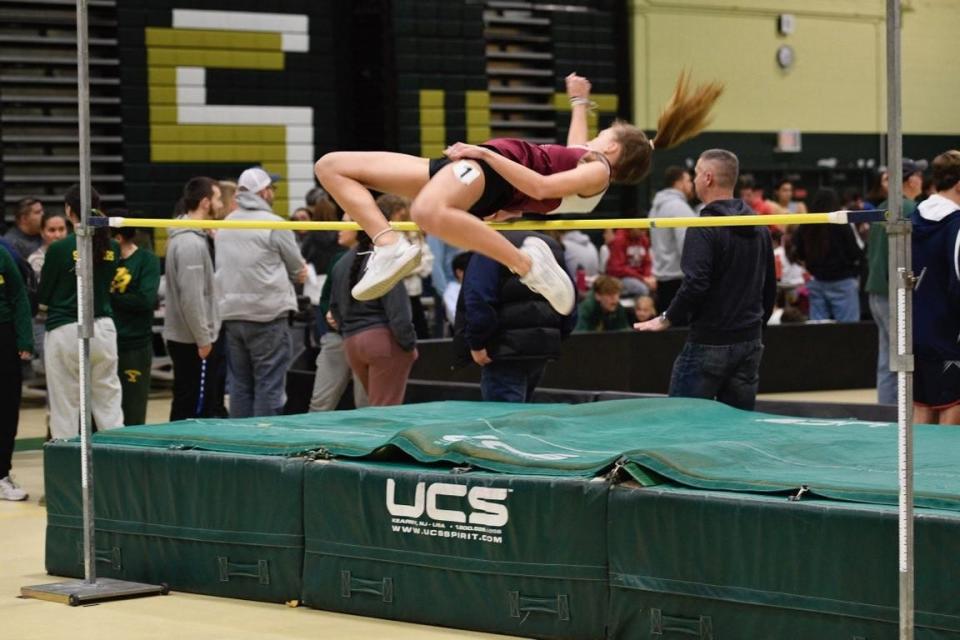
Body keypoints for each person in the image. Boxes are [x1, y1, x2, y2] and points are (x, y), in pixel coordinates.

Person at [314, 71, 723, 317]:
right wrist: (579, 101)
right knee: (332, 166)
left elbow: (540, 187)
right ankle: (387, 243)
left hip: (486, 168)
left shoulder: (597, 170)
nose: (593, 140)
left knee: (426, 212)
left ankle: (525, 263)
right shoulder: (589, 165)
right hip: (474, 171)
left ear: (612, 150)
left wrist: (482, 153)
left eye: (602, 136)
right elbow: (572, 151)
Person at [635, 149, 776, 411]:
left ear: (708, 178)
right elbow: (770, 286)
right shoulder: (760, 226)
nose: (694, 180)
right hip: (749, 341)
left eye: (696, 174)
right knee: (736, 426)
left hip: (711, 342)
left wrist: (667, 318)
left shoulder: (704, 227)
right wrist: (757, 329)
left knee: (683, 421)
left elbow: (695, 284)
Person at [216, 167, 307, 417]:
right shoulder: (274, 224)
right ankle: (264, 442)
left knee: (240, 386)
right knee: (269, 385)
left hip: (233, 316)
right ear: (263, 192)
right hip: (268, 315)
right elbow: (298, 267)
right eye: (272, 188)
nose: (273, 193)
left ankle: (242, 442)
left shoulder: (225, 224)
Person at [38, 185, 124, 438]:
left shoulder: (59, 249)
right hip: (104, 330)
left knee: (65, 406)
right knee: (109, 404)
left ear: (68, 210)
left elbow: (43, 295)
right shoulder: (113, 248)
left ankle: (65, 471)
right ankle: (116, 467)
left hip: (65, 329)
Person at [455, 231, 575, 402]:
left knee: (505, 424)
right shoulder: (551, 243)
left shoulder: (488, 243)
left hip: (503, 349)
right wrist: (556, 335)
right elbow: (569, 297)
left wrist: (476, 344)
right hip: (539, 346)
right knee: (519, 417)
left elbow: (479, 300)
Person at [329, 229, 417, 406]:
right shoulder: (384, 262)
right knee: (384, 412)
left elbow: (334, 308)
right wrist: (409, 344)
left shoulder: (340, 264)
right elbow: (398, 310)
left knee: (377, 407)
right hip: (382, 341)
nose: (340, 228)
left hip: (352, 343)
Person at [163, 177, 223, 420]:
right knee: (191, 405)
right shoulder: (189, 243)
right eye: (218, 198)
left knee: (187, 398)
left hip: (189, 336)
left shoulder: (192, 237)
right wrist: (203, 339)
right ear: (206, 202)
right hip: (192, 339)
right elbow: (192, 297)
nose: (221, 204)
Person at [865, 159, 923, 404]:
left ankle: (886, 412)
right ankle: (901, 414)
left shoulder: (884, 206)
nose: (922, 180)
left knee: (887, 358)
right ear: (910, 180)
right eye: (920, 175)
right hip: (894, 293)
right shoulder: (909, 209)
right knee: (902, 359)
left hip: (876, 292)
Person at [911, 150, 960, 425]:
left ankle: (920, 467)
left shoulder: (915, 216)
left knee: (923, 404)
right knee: (952, 405)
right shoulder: (955, 224)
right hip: (948, 331)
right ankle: (944, 468)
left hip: (916, 327)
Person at [308, 215, 368, 412]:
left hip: (364, 339)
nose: (339, 229)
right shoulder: (338, 259)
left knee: (367, 406)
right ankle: (310, 441)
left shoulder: (375, 259)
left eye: (346, 223)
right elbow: (326, 297)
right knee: (320, 402)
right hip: (337, 337)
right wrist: (329, 313)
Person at [111, 223, 161, 426]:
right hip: (105, 339)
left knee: (132, 405)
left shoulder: (146, 260)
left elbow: (145, 300)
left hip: (134, 343)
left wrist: (109, 297)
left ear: (119, 238)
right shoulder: (104, 259)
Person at [793, 188, 863, 322]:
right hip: (843, 281)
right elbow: (855, 252)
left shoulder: (807, 223)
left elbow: (799, 252)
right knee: (849, 333)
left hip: (817, 281)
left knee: (818, 332)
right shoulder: (842, 223)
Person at [0, 243, 33, 500]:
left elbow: (19, 295)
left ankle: (2, 474)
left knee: (7, 407)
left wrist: (24, 339)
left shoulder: (2, 253)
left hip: (4, 335)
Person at [380, 194, 435, 339]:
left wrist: (408, 269)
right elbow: (389, 266)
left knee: (421, 334)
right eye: (398, 210)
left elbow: (427, 259)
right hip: (391, 294)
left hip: (413, 292)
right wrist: (407, 268)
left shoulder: (412, 232)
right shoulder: (383, 235)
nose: (403, 213)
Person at [649, 166, 695, 310]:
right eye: (688, 181)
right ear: (679, 183)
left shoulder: (655, 208)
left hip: (663, 280)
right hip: (679, 280)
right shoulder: (679, 207)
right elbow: (688, 245)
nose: (691, 184)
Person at [605, 228, 656, 297]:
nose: (644, 233)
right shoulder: (619, 239)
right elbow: (618, 268)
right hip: (620, 277)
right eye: (641, 230)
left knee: (658, 285)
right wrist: (643, 279)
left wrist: (648, 277)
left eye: (645, 230)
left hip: (639, 276)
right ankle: (640, 307)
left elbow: (647, 262)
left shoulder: (644, 239)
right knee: (642, 289)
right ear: (632, 228)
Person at [27, 210, 68, 279]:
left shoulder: (75, 253)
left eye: (61, 229)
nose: (57, 235)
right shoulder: (36, 260)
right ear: (42, 232)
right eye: (52, 230)